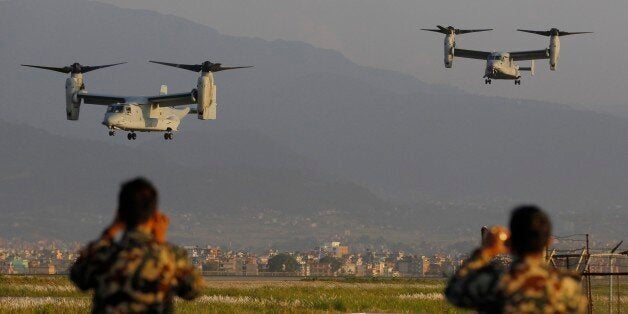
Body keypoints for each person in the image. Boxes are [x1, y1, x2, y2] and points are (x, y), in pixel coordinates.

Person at [70, 178, 204, 313]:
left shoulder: (102, 255)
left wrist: (109, 232)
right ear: (154, 215)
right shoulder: (170, 257)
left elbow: (78, 276)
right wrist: (160, 242)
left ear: (120, 214)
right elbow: (193, 290)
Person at [445, 205, 587, 313]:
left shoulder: (495, 283)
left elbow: (455, 291)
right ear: (548, 242)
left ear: (510, 243)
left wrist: (486, 251)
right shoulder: (568, 286)